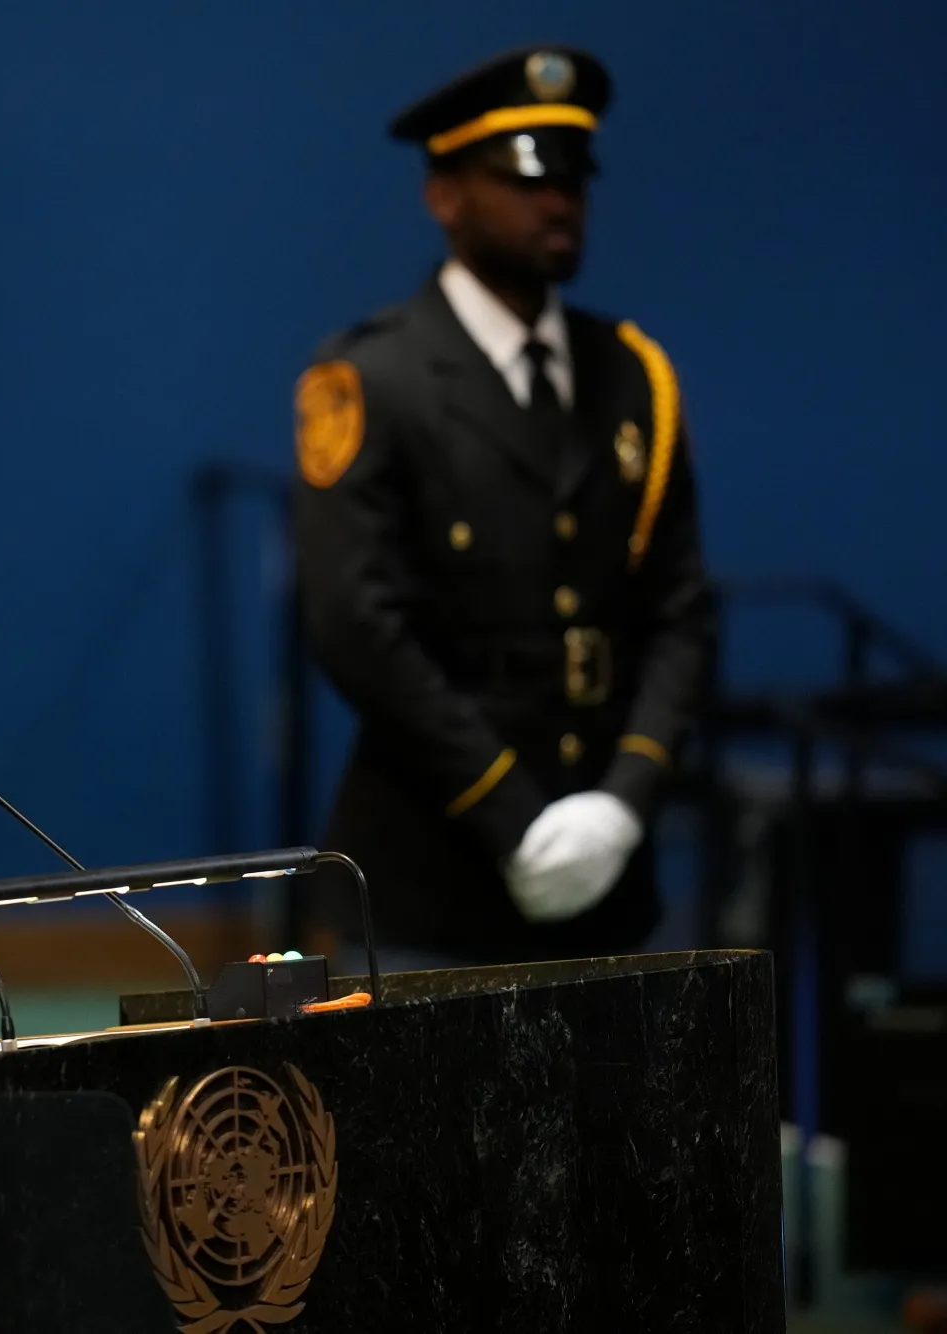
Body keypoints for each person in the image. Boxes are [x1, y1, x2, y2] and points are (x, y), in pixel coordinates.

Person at [293, 47, 713, 966]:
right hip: (429, 884)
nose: (557, 201)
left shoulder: (635, 377)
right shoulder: (371, 379)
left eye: (573, 176)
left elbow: (681, 610)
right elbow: (353, 623)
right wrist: (512, 815)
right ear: (443, 195)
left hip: (609, 882)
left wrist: (624, 798)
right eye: (523, 176)